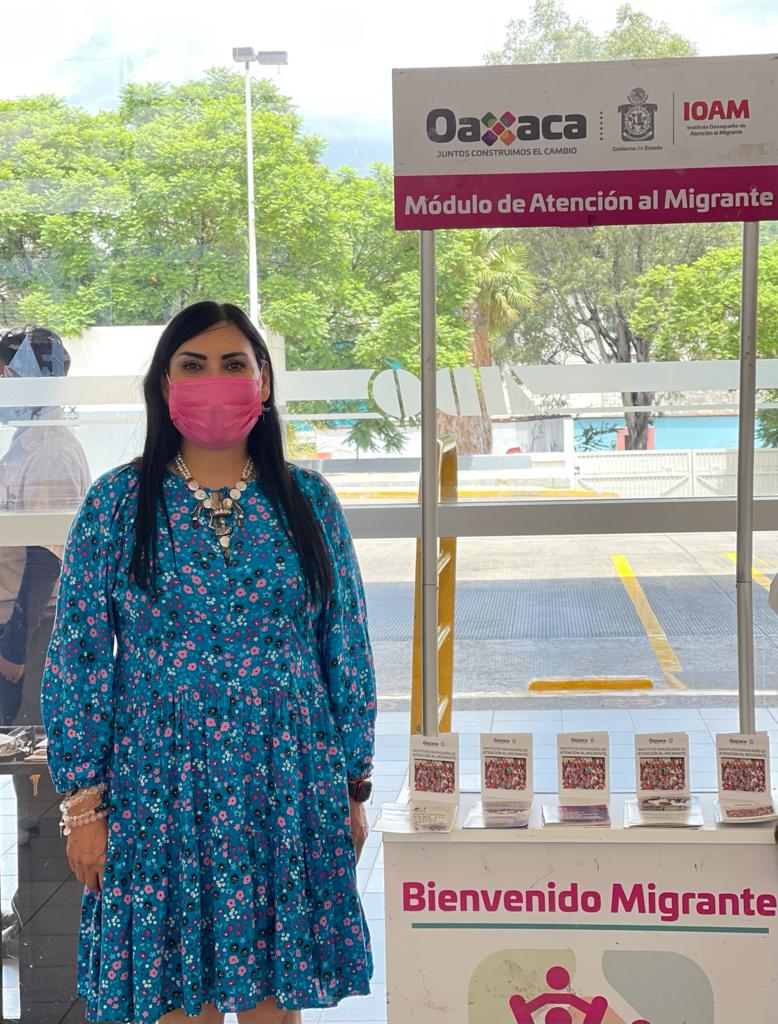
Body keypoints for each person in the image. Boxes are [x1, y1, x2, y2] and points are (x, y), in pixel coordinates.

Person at [41, 301, 377, 1024]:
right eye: (193, 366)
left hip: (285, 782)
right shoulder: (116, 504)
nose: (213, 380)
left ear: (264, 381)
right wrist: (83, 807)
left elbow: (345, 646)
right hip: (158, 788)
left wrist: (353, 785)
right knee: (174, 999)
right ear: (166, 385)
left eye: (233, 364)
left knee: (273, 1002)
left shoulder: (308, 501)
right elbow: (78, 657)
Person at [0, 325, 91, 726]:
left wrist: (14, 647)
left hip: (34, 625)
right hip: (20, 619)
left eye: (4, 375)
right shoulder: (27, 441)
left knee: (29, 746)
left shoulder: (50, 449)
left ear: (28, 378)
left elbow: (46, 557)